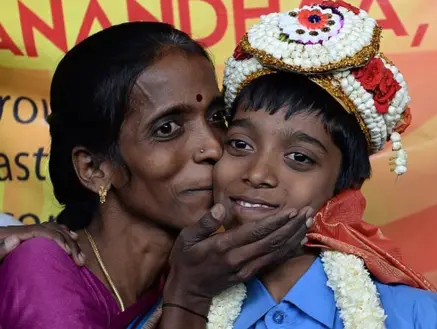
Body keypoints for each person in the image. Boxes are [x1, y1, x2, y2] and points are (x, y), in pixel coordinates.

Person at [128, 2, 437, 328]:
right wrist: (186, 299)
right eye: (240, 145)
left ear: (343, 185)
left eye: (300, 158)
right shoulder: (172, 311)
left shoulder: (420, 318)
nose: (258, 174)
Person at [0, 22, 313, 329]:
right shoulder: (41, 265)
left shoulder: (199, 270)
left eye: (218, 117)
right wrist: (187, 297)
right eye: (167, 129)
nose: (213, 147)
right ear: (94, 169)